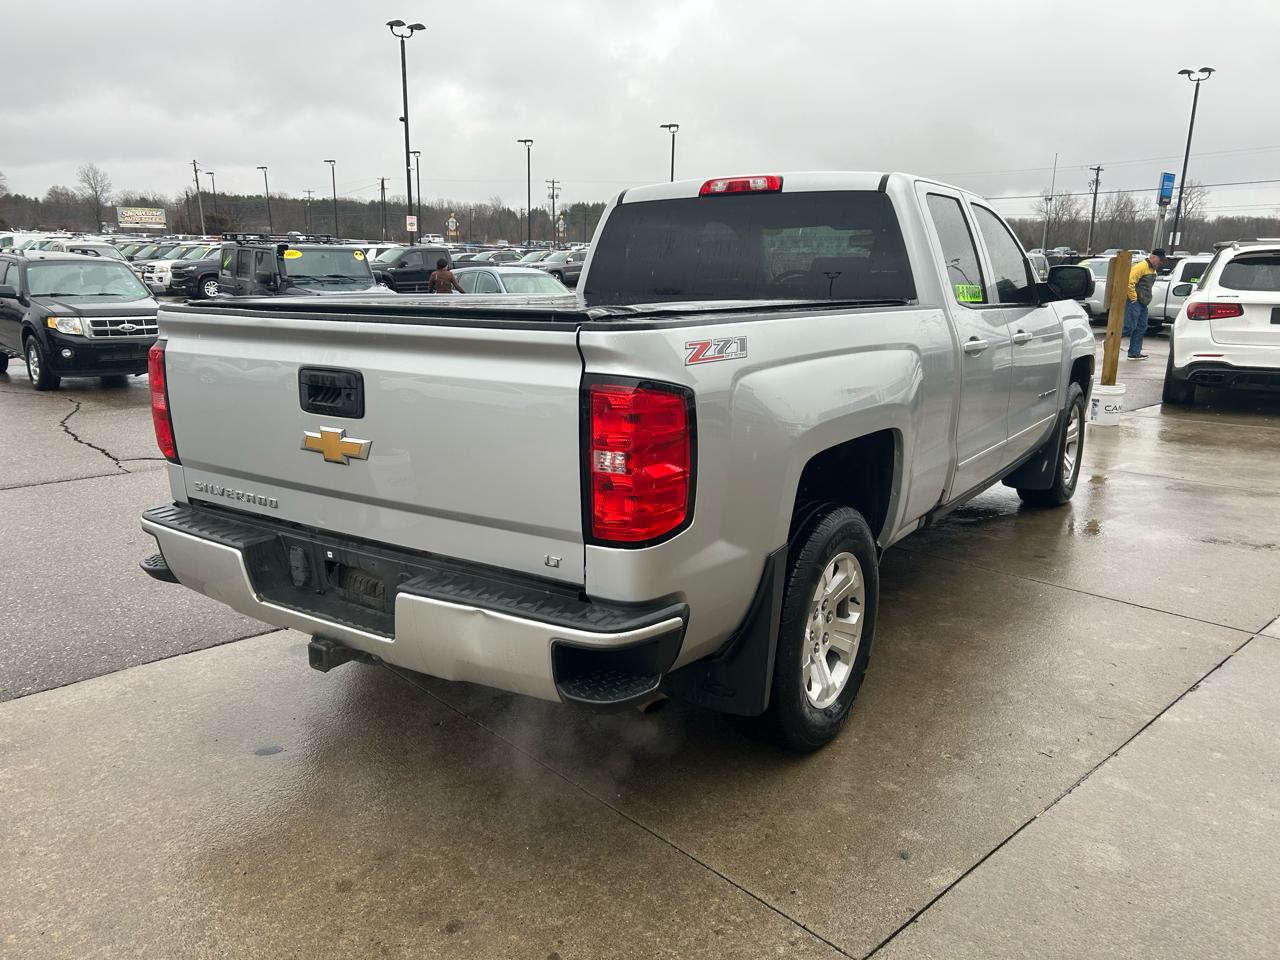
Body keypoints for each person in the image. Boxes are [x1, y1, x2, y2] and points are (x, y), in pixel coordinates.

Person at [1123, 248, 1164, 360]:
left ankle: (1134, 353)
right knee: (1129, 327)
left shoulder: (1153, 270)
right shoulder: (1141, 266)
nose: (1161, 263)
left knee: (1141, 327)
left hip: (1143, 303)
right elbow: (1129, 282)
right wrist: (1133, 298)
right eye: (1160, 260)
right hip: (1135, 302)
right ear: (1153, 257)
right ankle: (1109, 343)